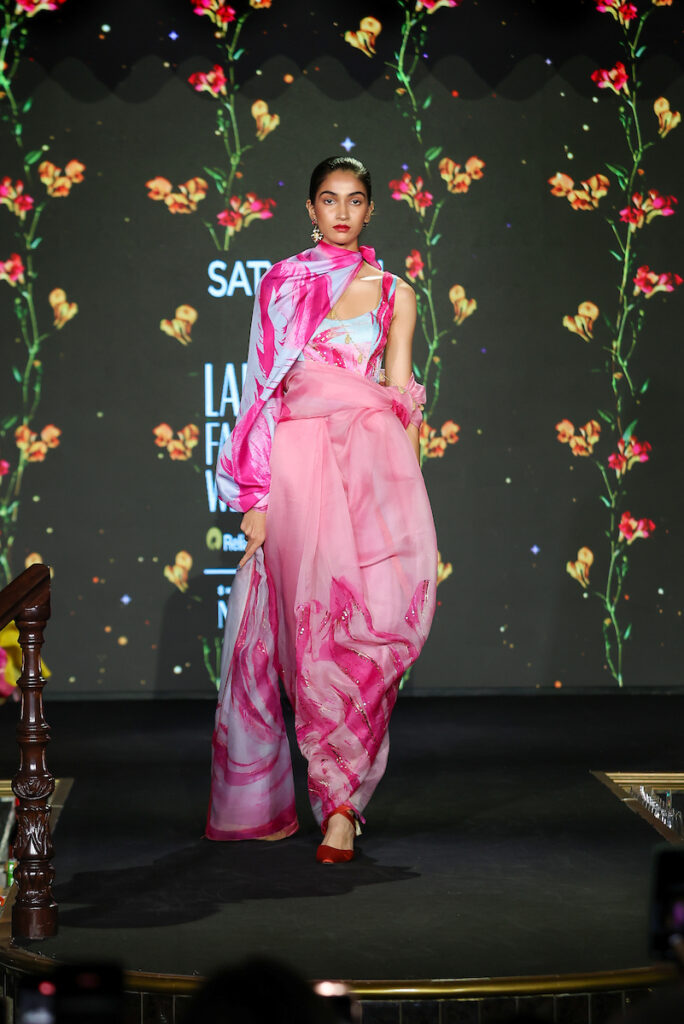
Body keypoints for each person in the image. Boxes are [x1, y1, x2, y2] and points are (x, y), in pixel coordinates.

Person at [206, 156, 437, 863]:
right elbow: (261, 392)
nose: (342, 212)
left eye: (355, 200)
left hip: (373, 471)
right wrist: (256, 498)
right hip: (301, 469)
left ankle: (347, 794)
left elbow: (401, 398)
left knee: (377, 633)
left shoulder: (396, 293)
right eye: (329, 200)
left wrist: (408, 496)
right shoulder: (283, 284)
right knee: (315, 638)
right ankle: (339, 805)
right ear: (310, 209)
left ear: (370, 210)